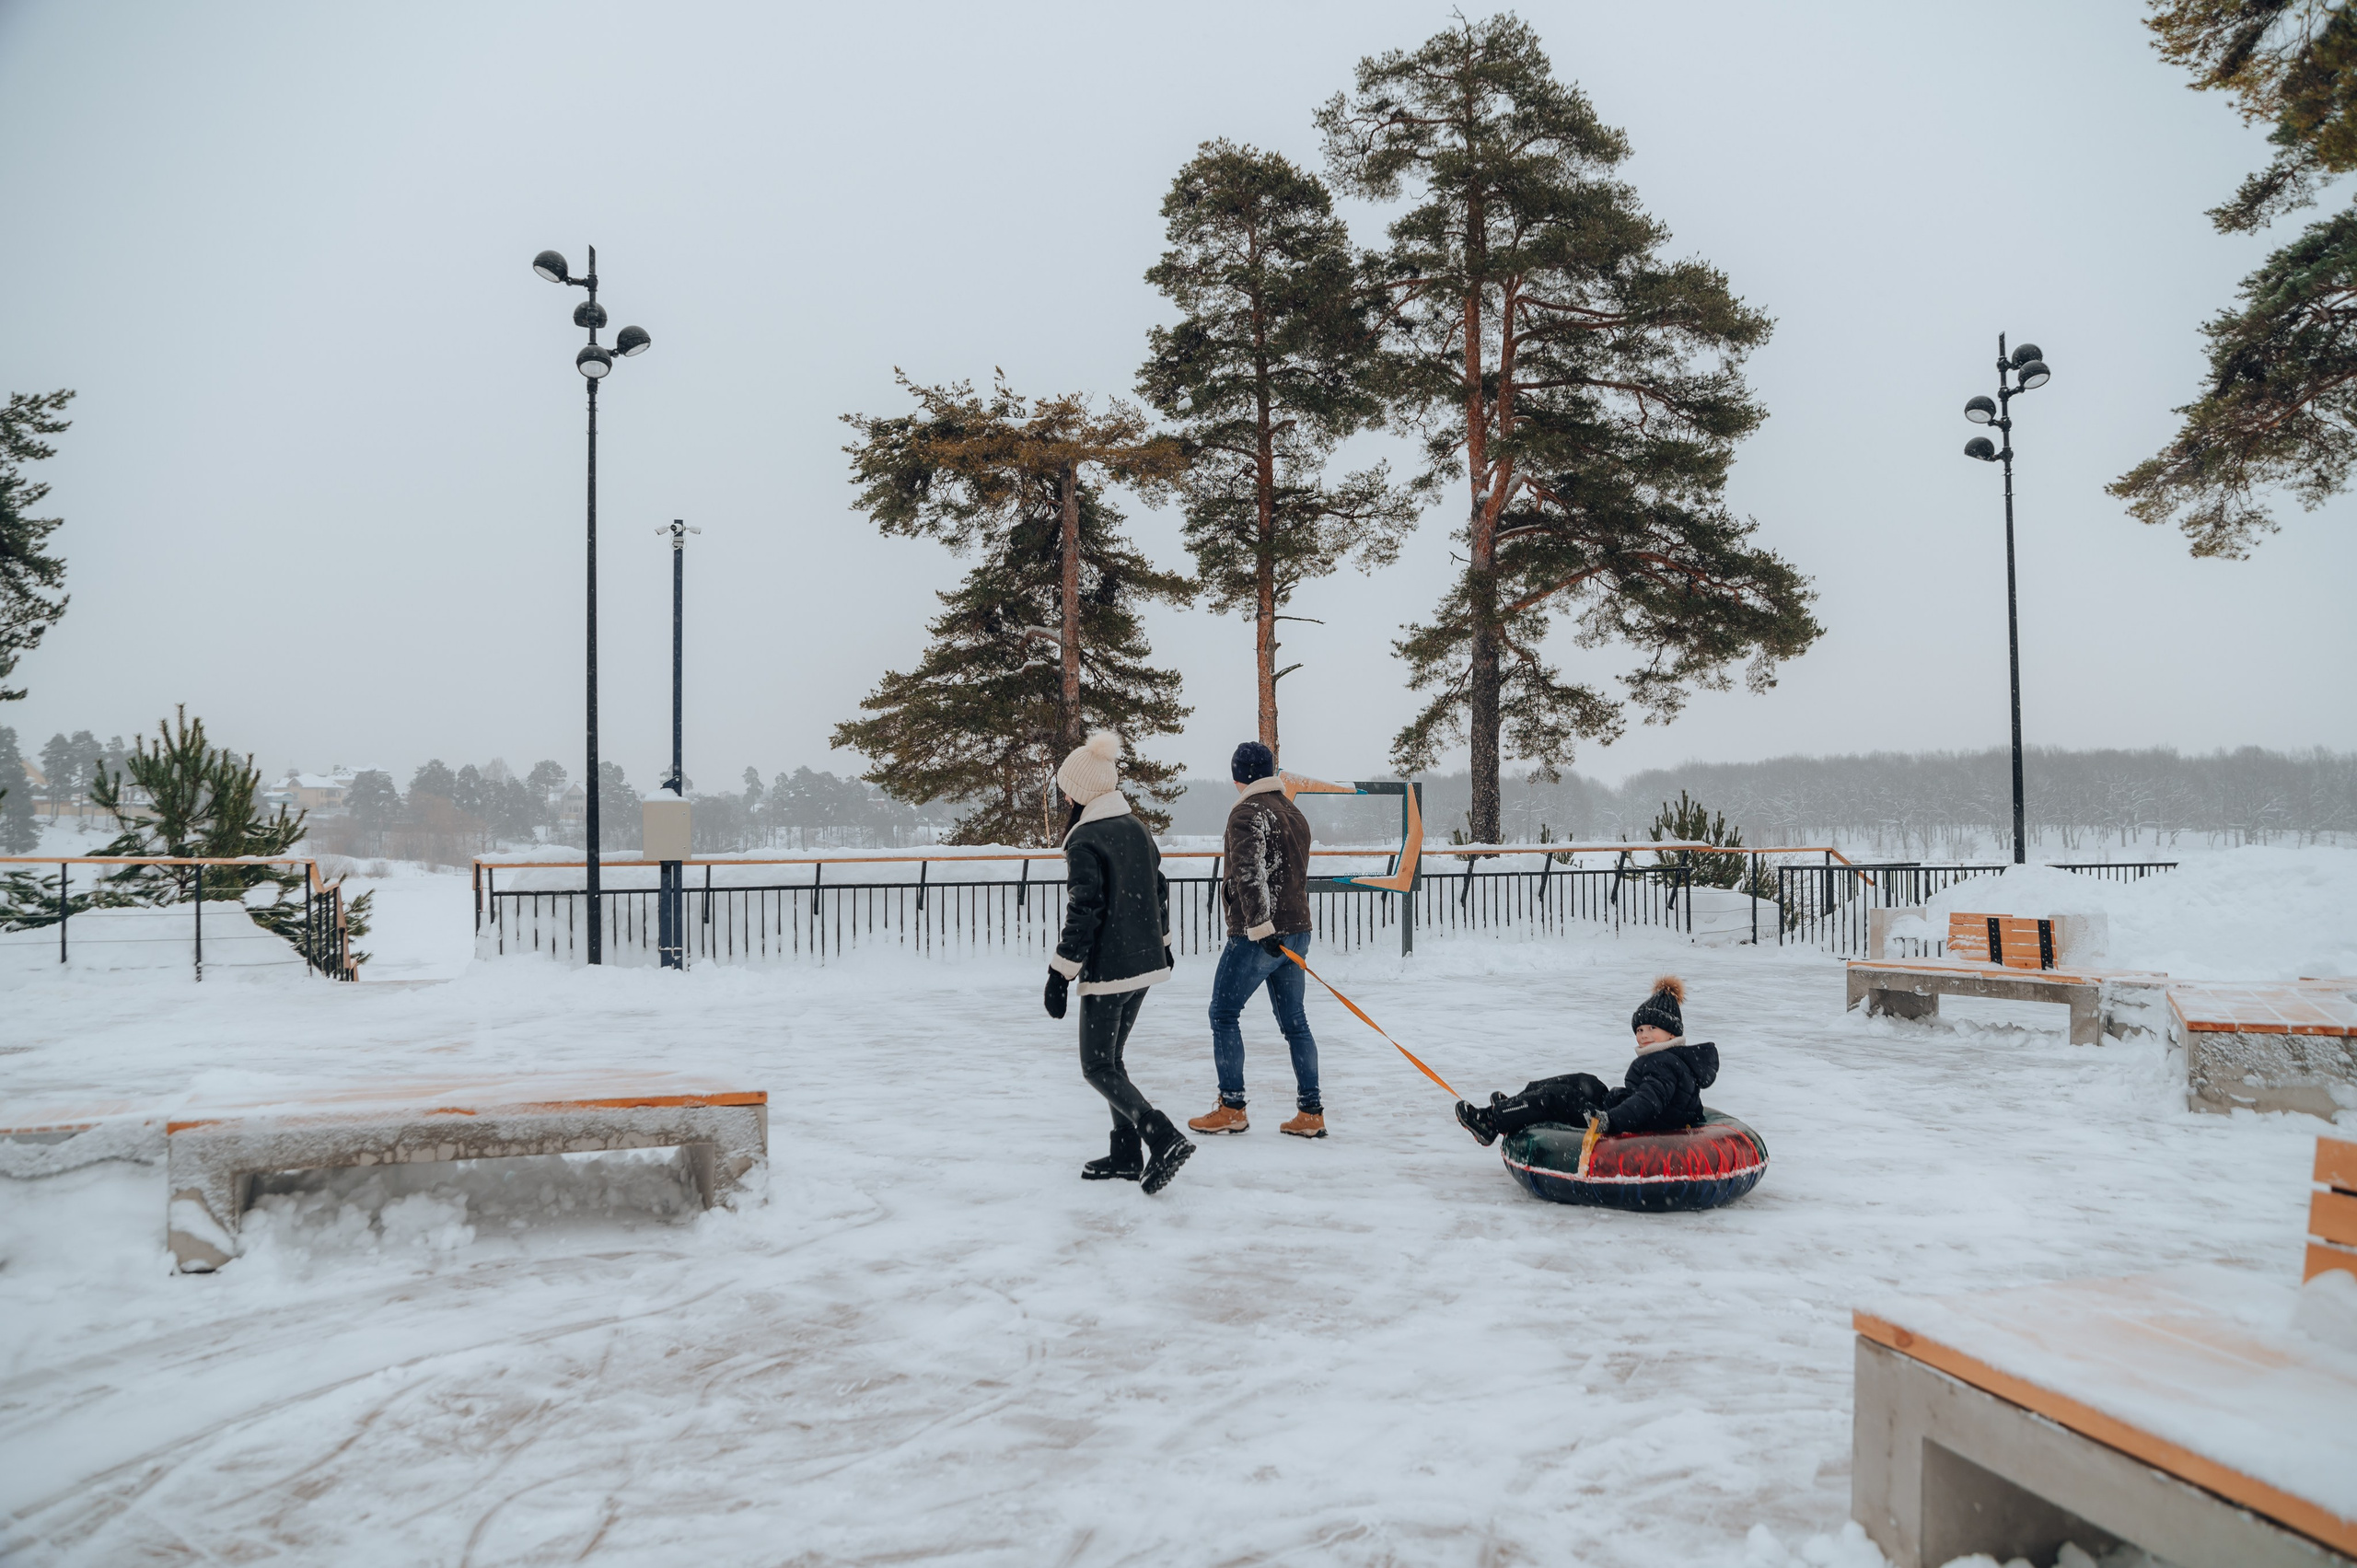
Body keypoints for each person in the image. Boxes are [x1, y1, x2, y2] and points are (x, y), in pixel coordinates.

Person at [1044, 729, 1195, 1194]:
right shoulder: (1136, 828)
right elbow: (1159, 891)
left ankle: (1160, 1135)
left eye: (1067, 789)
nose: (1064, 797)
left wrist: (1060, 973)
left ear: (1082, 792)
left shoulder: (1085, 839)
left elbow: (1084, 911)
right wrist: (1163, 944)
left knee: (1096, 1066)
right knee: (1112, 1060)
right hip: (1145, 965)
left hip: (1110, 970)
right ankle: (1127, 1153)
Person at [1189, 740, 1326, 1139]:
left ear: (1240, 776)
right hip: (1298, 931)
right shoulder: (1293, 812)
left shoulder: (1246, 812)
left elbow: (1251, 875)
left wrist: (1261, 926)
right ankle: (1311, 1112)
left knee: (1223, 1013)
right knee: (1295, 1022)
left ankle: (1232, 1107)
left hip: (1259, 935)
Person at [1452, 976, 1718, 1145]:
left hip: (1625, 1122)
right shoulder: (1671, 1059)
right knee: (1585, 1082)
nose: (1644, 1035)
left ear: (1672, 1033)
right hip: (1619, 1107)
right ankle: (1512, 1105)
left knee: (1560, 1097)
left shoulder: (1663, 1063)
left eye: (1652, 1028)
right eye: (1639, 1030)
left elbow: (1647, 1102)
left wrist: (1609, 1120)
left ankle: (1491, 1122)